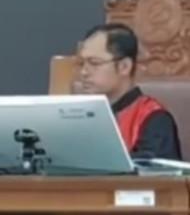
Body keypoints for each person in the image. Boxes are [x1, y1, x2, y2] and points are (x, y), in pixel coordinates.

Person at [77, 23, 181, 160]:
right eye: (82, 63)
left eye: (94, 63)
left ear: (124, 67)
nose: (83, 72)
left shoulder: (153, 119)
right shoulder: (77, 114)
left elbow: (151, 171)